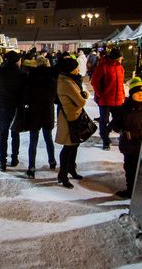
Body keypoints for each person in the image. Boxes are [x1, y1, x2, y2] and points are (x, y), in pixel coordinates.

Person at [110, 77, 142, 198]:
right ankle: (131, 189)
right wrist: (116, 126)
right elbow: (116, 123)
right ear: (131, 94)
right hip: (128, 145)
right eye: (137, 93)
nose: (140, 95)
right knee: (130, 167)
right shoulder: (125, 107)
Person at [0, 50, 26, 171]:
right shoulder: (22, 74)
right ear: (16, 61)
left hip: (3, 106)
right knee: (15, 133)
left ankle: (3, 162)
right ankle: (14, 158)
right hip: (17, 107)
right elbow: (25, 93)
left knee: (3, 134)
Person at [55, 57, 88, 189]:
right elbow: (81, 101)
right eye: (75, 67)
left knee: (74, 145)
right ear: (69, 69)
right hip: (69, 118)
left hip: (73, 116)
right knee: (68, 147)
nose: (78, 69)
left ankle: (71, 169)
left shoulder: (69, 79)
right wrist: (84, 95)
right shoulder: (67, 82)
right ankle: (63, 175)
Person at [23, 55, 58, 178]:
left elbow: (26, 94)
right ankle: (52, 161)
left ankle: (31, 167)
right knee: (48, 138)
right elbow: (55, 96)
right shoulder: (53, 77)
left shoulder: (31, 76)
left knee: (33, 140)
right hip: (47, 110)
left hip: (34, 111)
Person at [91, 48, 125, 151]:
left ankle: (107, 130)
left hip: (118, 99)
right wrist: (100, 94)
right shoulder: (103, 66)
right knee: (104, 120)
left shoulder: (120, 68)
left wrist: (123, 95)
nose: (122, 59)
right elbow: (95, 82)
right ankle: (105, 140)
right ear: (115, 58)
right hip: (105, 100)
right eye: (120, 57)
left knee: (118, 120)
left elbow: (121, 84)